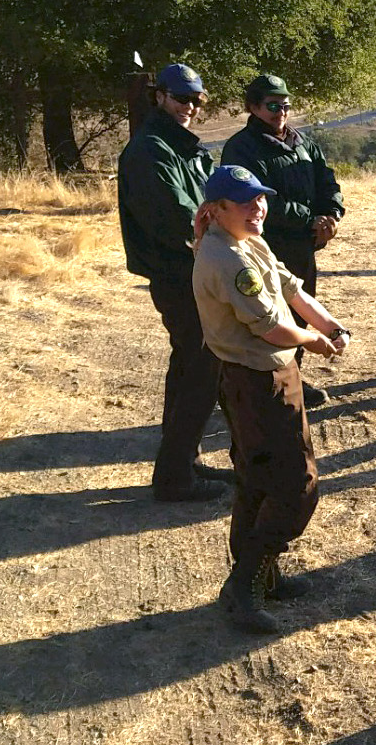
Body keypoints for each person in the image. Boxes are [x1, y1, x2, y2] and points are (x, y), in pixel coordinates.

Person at [192, 165, 352, 633]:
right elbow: (268, 326)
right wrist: (313, 341)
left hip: (271, 374)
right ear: (216, 210)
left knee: (258, 478)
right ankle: (246, 584)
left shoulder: (248, 240)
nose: (257, 208)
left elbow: (291, 289)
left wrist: (329, 325)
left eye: (259, 198)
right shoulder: (227, 258)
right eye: (243, 202)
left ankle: (262, 577)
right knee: (295, 485)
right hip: (257, 381)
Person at [117, 62, 234, 502]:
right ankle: (174, 476)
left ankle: (186, 461)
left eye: (196, 100)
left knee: (190, 367)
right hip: (178, 275)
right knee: (201, 372)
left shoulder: (180, 146)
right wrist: (221, 233)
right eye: (180, 98)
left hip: (194, 271)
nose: (189, 107)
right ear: (160, 97)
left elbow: (207, 206)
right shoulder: (151, 149)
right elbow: (179, 217)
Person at [222, 73, 345, 408]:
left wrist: (331, 214)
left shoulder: (303, 143)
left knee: (298, 314)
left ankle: (292, 379)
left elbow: (327, 182)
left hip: (302, 246)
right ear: (252, 107)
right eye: (272, 105)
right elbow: (258, 201)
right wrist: (310, 219)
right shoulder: (241, 148)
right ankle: (254, 388)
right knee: (262, 318)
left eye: (286, 105)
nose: (280, 112)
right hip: (262, 246)